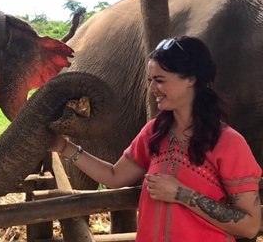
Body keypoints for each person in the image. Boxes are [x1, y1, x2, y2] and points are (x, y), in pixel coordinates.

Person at [50, 36, 262, 241]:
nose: (152, 90)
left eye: (160, 81)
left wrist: (181, 194)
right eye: (150, 81)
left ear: (190, 79)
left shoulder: (228, 143)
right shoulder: (155, 131)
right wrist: (64, 147)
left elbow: (250, 226)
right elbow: (114, 176)